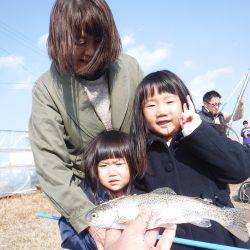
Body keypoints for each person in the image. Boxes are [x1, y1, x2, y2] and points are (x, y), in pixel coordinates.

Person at [29, 0, 143, 246]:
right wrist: (87, 218)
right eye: (80, 42)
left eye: (98, 40)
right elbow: (51, 165)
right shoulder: (46, 89)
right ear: (61, 39)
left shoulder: (130, 68)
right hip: (88, 196)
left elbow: (149, 131)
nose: (90, 51)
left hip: (138, 188)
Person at [130, 70, 250, 249]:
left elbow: (241, 169)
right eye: (151, 105)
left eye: (169, 101)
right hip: (173, 242)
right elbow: (139, 194)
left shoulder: (207, 134)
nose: (161, 111)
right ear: (140, 113)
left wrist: (198, 132)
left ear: (185, 103)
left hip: (220, 239)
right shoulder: (139, 152)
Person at [59, 130, 176, 249]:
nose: (112, 173)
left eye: (119, 164)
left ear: (132, 164)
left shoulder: (143, 192)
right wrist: (97, 240)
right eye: (104, 166)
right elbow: (69, 236)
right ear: (95, 168)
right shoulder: (86, 197)